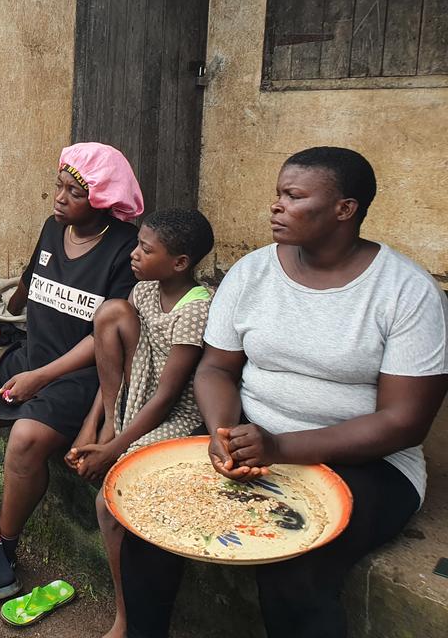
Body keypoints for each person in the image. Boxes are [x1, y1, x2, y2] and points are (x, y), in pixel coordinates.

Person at [120, 147, 448, 638]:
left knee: (296, 566)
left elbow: (404, 422)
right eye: (278, 194)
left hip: (368, 465)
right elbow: (215, 370)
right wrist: (224, 433)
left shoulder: (406, 292)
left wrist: (282, 448)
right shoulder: (252, 273)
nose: (276, 206)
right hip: (252, 442)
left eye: (294, 196)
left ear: (345, 208)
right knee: (151, 521)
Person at [0, 143, 143, 607]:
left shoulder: (126, 250)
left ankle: (1, 551)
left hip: (80, 375)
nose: (60, 198)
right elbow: (28, 290)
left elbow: (105, 337)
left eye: (75, 192)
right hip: (32, 355)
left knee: (25, 437)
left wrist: (42, 377)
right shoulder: (53, 229)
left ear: (102, 198)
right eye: (59, 186)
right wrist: (9, 304)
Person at [64, 208, 215, 638]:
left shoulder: (195, 310)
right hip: (134, 401)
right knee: (110, 312)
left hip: (176, 417)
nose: (133, 254)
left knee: (107, 503)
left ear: (180, 263)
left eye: (145, 249)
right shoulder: (145, 290)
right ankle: (127, 614)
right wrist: (95, 427)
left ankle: (126, 618)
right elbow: (108, 360)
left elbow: (169, 396)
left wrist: (113, 449)